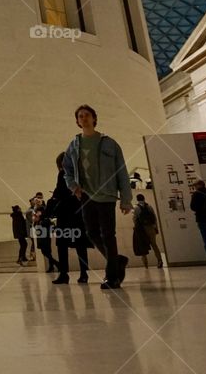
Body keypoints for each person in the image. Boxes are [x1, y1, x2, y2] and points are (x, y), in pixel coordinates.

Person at [62, 104, 132, 290]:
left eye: (87, 115)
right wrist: (74, 187)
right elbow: (67, 170)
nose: (84, 118)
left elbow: (122, 171)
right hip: (86, 195)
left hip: (107, 194)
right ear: (77, 121)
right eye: (80, 116)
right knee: (92, 233)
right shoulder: (74, 145)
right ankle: (117, 261)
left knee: (108, 235)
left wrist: (126, 199)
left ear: (94, 118)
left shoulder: (109, 143)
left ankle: (113, 277)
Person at [49, 152, 89, 285]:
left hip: (65, 214)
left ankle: (64, 273)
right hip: (78, 214)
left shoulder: (63, 174)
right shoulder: (79, 174)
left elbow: (59, 193)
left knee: (62, 245)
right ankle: (84, 274)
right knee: (80, 245)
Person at [133, 194, 163, 268]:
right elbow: (154, 218)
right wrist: (156, 228)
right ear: (144, 198)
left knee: (142, 246)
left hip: (142, 230)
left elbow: (134, 219)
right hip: (151, 228)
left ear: (137, 199)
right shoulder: (149, 206)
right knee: (154, 245)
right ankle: (159, 260)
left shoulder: (136, 208)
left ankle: (146, 265)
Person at [34, 206, 59, 273]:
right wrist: (36, 221)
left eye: (38, 212)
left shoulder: (45, 219)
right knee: (46, 253)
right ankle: (52, 266)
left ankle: (57, 264)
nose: (37, 213)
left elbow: (51, 226)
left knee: (46, 252)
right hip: (40, 237)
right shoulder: (39, 219)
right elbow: (35, 227)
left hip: (45, 238)